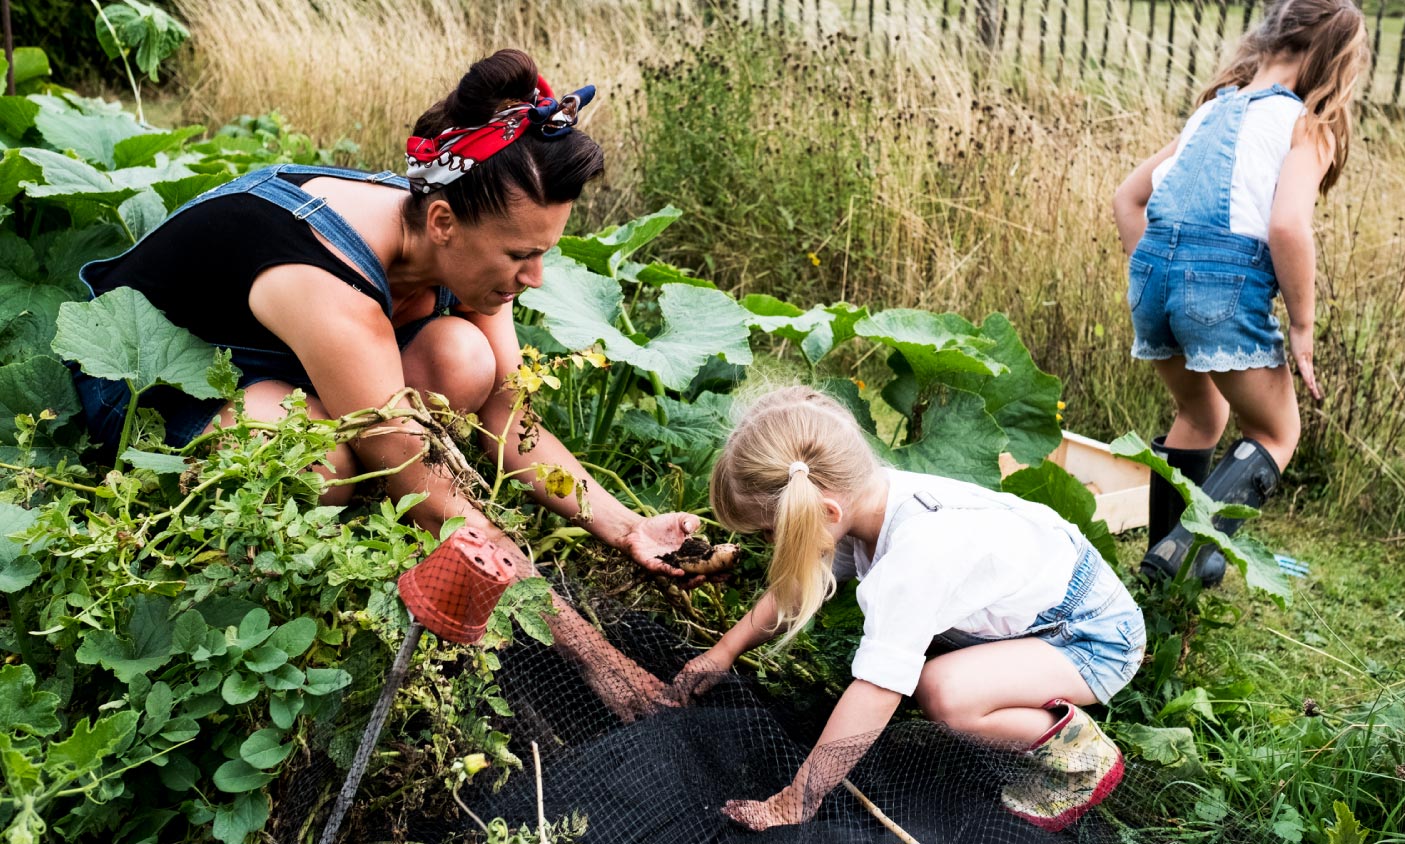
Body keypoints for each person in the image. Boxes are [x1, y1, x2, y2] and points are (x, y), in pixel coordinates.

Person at [72, 49, 698, 714]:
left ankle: (348, 436)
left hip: (287, 356)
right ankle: (228, 551)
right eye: (522, 256)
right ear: (441, 224)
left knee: (466, 359)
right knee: (320, 461)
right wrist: (594, 657)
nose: (535, 277)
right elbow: (423, 487)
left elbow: (509, 410)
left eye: (545, 252)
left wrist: (626, 524)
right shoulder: (329, 279)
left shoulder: (467, 216)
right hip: (147, 377)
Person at [667, 387, 1145, 831]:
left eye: (772, 534)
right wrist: (724, 652)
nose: (772, 546)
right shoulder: (869, 497)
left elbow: (878, 689)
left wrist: (795, 802)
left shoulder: (917, 556)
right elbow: (797, 587)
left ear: (826, 512)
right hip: (1053, 598)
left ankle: (1082, 756)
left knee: (942, 693)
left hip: (1090, 636)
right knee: (922, 666)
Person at [1111, 0, 1369, 585]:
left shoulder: (1209, 113)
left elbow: (1128, 198)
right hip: (1222, 288)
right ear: (1333, 58)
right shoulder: (1308, 124)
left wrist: (1160, 276)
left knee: (1201, 413)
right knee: (1278, 433)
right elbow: (1286, 227)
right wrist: (1301, 326)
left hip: (1154, 277)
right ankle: (1183, 556)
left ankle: (1162, 572)